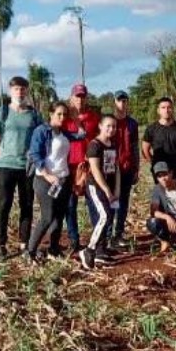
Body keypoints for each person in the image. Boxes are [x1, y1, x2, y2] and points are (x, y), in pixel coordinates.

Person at [0, 76, 42, 260]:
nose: (20, 92)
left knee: (26, 206)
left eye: (23, 89)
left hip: (26, 167)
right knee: (4, 204)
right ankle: (0, 244)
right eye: (17, 89)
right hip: (5, 166)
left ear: (27, 92)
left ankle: (24, 243)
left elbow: (41, 136)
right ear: (11, 91)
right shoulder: (1, 113)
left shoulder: (34, 115)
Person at [26, 102, 83, 261]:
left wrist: (76, 121)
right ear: (50, 114)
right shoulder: (42, 131)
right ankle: (30, 251)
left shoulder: (64, 133)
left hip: (63, 180)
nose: (62, 117)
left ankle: (54, 248)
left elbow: (81, 135)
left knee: (58, 216)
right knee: (47, 216)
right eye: (59, 114)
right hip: (45, 180)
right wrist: (47, 174)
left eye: (65, 114)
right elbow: (35, 155)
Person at [79, 114, 121, 269]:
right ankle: (89, 250)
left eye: (114, 126)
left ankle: (100, 251)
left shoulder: (113, 144)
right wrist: (107, 190)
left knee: (108, 218)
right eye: (108, 125)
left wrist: (116, 189)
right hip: (96, 187)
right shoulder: (94, 145)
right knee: (104, 216)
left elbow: (116, 168)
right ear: (100, 126)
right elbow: (95, 171)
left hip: (109, 186)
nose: (111, 129)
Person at [63, 83, 101, 252]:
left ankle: (97, 239)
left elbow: (98, 139)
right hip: (69, 166)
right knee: (70, 206)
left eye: (83, 96)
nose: (80, 99)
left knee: (93, 203)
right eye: (77, 96)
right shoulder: (65, 117)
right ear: (72, 97)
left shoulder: (93, 117)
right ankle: (74, 240)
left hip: (89, 167)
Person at [111, 90, 140, 246]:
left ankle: (119, 233)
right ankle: (108, 234)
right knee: (111, 201)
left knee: (123, 202)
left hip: (127, 167)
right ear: (115, 102)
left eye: (124, 100)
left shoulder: (132, 123)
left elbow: (135, 147)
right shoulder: (109, 121)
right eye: (119, 100)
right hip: (111, 168)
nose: (122, 103)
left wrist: (136, 167)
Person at [145, 161, 176, 253]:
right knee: (152, 222)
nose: (163, 178)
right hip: (172, 222)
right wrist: (167, 217)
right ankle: (165, 241)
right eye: (159, 176)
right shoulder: (157, 189)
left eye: (165, 174)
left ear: (171, 173)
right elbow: (153, 211)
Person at [142, 96, 176, 182]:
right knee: (164, 194)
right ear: (158, 110)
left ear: (172, 109)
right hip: (159, 170)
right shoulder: (151, 129)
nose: (166, 110)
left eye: (169, 107)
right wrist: (154, 163)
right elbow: (145, 149)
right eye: (163, 107)